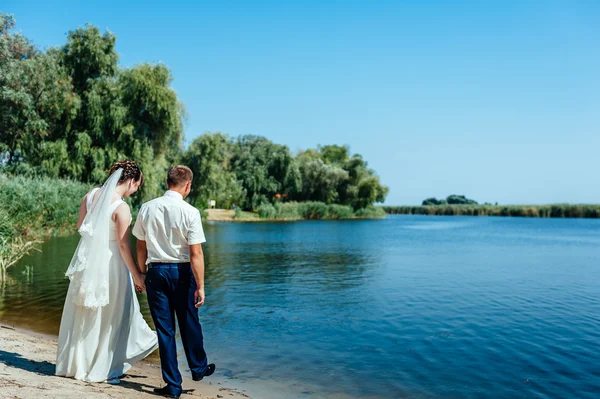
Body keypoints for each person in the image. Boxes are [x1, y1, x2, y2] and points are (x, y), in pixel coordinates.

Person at [56, 160, 158, 384]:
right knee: (114, 316)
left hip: (88, 263)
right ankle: (102, 367)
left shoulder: (90, 195)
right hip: (112, 265)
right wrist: (137, 275)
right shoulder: (121, 208)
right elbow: (123, 245)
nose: (136, 190)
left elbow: (81, 226)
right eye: (137, 186)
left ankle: (77, 366)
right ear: (130, 181)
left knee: (86, 313)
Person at [133, 165, 215, 399]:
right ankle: (198, 369)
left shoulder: (147, 208)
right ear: (187, 185)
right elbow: (196, 254)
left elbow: (140, 246)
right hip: (182, 273)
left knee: (165, 331)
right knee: (190, 322)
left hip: (156, 272)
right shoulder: (190, 212)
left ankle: (173, 386)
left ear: (167, 182)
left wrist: (142, 273)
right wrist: (200, 286)